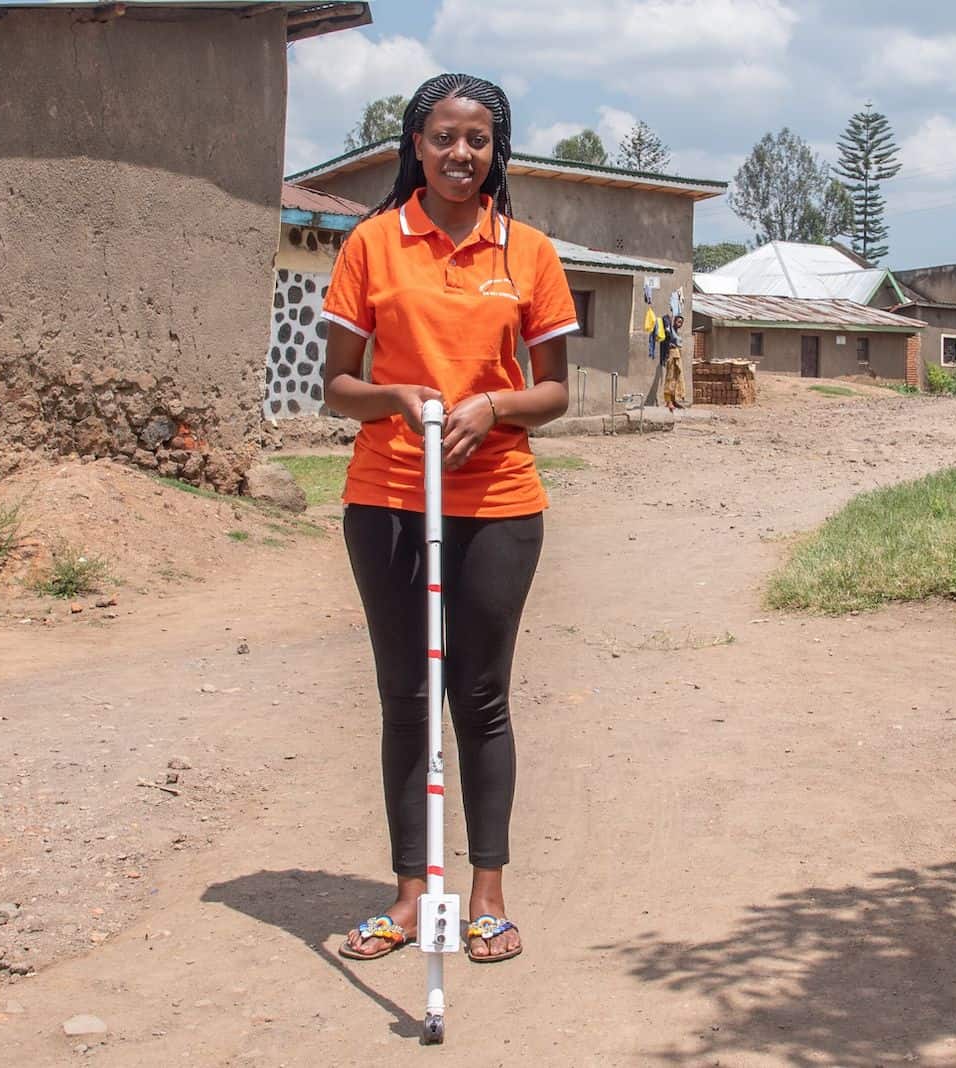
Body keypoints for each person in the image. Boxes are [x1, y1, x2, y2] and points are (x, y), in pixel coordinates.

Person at [318, 73, 578, 964]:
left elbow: (555, 393)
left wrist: (494, 410)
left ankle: (488, 896)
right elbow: (337, 387)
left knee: (480, 697)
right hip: (388, 497)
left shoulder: (530, 253)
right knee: (405, 698)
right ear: (415, 146)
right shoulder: (370, 246)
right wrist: (397, 395)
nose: (460, 153)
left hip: (498, 504)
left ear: (496, 148)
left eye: (477, 138)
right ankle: (408, 895)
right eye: (443, 136)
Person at [661, 313, 688, 412]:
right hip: (672, 356)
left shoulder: (677, 332)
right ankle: (668, 401)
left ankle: (674, 399)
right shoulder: (670, 330)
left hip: (678, 355)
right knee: (670, 377)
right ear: (674, 321)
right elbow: (665, 319)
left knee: (677, 378)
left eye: (681, 322)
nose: (679, 323)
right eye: (678, 321)